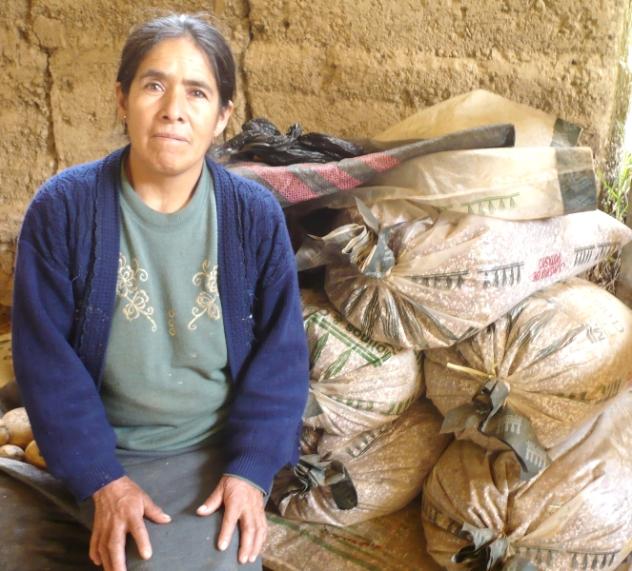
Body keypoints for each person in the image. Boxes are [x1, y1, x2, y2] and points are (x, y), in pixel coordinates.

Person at [5, 12, 309, 571]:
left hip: (197, 452)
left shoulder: (252, 216)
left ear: (223, 116)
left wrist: (249, 471)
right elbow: (44, 361)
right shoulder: (64, 209)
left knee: (170, 560)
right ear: (122, 99)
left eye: (197, 92)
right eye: (153, 86)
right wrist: (103, 481)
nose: (173, 109)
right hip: (89, 444)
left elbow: (281, 360)